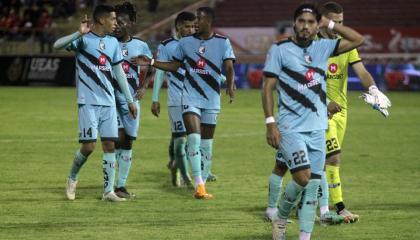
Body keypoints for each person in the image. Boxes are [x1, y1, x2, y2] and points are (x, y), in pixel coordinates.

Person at [262, 3, 365, 239]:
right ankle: (281, 215)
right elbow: (267, 87)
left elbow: (358, 39)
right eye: (301, 21)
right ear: (294, 23)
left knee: (312, 187)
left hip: (318, 127)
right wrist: (270, 122)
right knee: (303, 177)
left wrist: (330, 24)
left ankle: (303, 236)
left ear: (316, 24)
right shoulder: (279, 50)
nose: (305, 26)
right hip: (290, 127)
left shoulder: (323, 47)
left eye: (311, 22)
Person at [132, 7, 235, 199]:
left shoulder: (222, 42)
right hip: (187, 97)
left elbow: (227, 66)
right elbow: (174, 65)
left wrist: (230, 84)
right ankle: (198, 185)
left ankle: (202, 178)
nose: (195, 23)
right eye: (192, 21)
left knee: (206, 143)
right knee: (192, 140)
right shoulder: (185, 43)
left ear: (210, 21)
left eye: (199, 19)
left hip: (211, 98)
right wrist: (152, 62)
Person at [317, 1, 392, 222]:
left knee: (321, 163)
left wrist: (374, 89)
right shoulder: (312, 46)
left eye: (341, 22)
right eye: (333, 22)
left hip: (342, 112)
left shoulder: (346, 46)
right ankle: (339, 208)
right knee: (333, 158)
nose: (337, 27)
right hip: (321, 111)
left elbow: (362, 71)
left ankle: (298, 201)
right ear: (324, 21)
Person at [53, 5, 137, 202]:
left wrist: (129, 100)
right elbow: (57, 45)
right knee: (89, 147)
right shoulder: (83, 39)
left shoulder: (113, 43)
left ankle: (108, 191)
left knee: (109, 145)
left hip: (109, 102)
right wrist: (77, 33)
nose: (116, 23)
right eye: (113, 19)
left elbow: (119, 74)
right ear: (101, 20)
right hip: (88, 102)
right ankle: (72, 177)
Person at [151, 11, 196, 187]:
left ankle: (176, 165)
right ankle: (186, 178)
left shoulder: (198, 44)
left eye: (193, 26)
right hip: (176, 100)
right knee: (180, 141)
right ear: (178, 27)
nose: (191, 30)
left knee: (191, 140)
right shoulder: (167, 46)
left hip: (197, 100)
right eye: (187, 26)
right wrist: (155, 98)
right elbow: (160, 72)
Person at [112, 2, 152, 198]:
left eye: (122, 22)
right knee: (114, 139)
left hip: (132, 99)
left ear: (130, 23)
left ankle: (120, 186)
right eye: (115, 21)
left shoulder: (140, 45)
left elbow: (152, 66)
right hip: (110, 99)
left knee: (127, 141)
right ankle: (110, 186)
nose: (118, 25)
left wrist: (144, 86)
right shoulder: (107, 43)